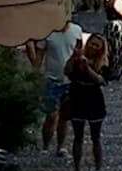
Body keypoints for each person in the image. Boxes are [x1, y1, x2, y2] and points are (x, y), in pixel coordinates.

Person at [29, 14, 85, 154]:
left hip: (69, 80)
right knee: (51, 115)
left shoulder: (77, 30)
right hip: (51, 79)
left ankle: (61, 146)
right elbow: (40, 56)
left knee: (64, 116)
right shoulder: (47, 33)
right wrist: (35, 73)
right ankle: (46, 145)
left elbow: (80, 53)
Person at [62, 32, 108, 171]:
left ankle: (98, 168)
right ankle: (76, 168)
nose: (93, 47)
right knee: (78, 136)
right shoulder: (79, 57)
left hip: (94, 99)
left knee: (96, 137)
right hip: (78, 97)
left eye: (97, 46)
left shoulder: (103, 62)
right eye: (92, 44)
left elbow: (101, 80)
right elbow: (67, 71)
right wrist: (74, 58)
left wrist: (87, 68)